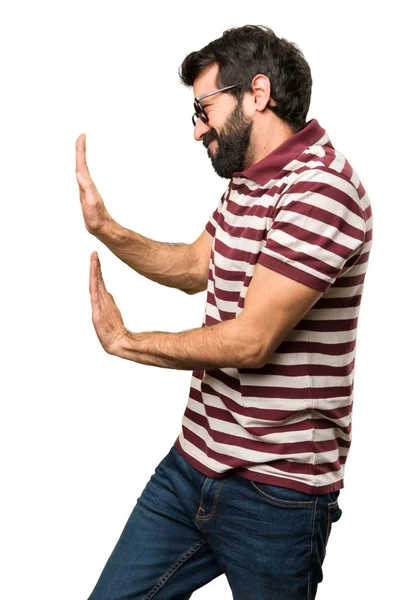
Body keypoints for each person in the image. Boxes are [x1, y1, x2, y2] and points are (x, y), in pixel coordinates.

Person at [76, 24, 373, 600]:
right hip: (194, 464)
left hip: (276, 492)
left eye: (203, 107)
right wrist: (106, 229)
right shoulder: (250, 180)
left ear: (257, 94)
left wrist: (128, 341)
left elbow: (250, 341)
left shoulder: (321, 190)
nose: (195, 130)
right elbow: (194, 265)